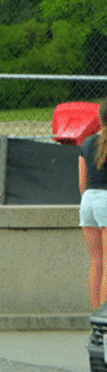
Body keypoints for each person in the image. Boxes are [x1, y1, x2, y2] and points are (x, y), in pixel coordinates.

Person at [78, 101, 107, 310]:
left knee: (96, 263)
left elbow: (82, 184)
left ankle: (97, 318)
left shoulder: (87, 143)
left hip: (87, 202)